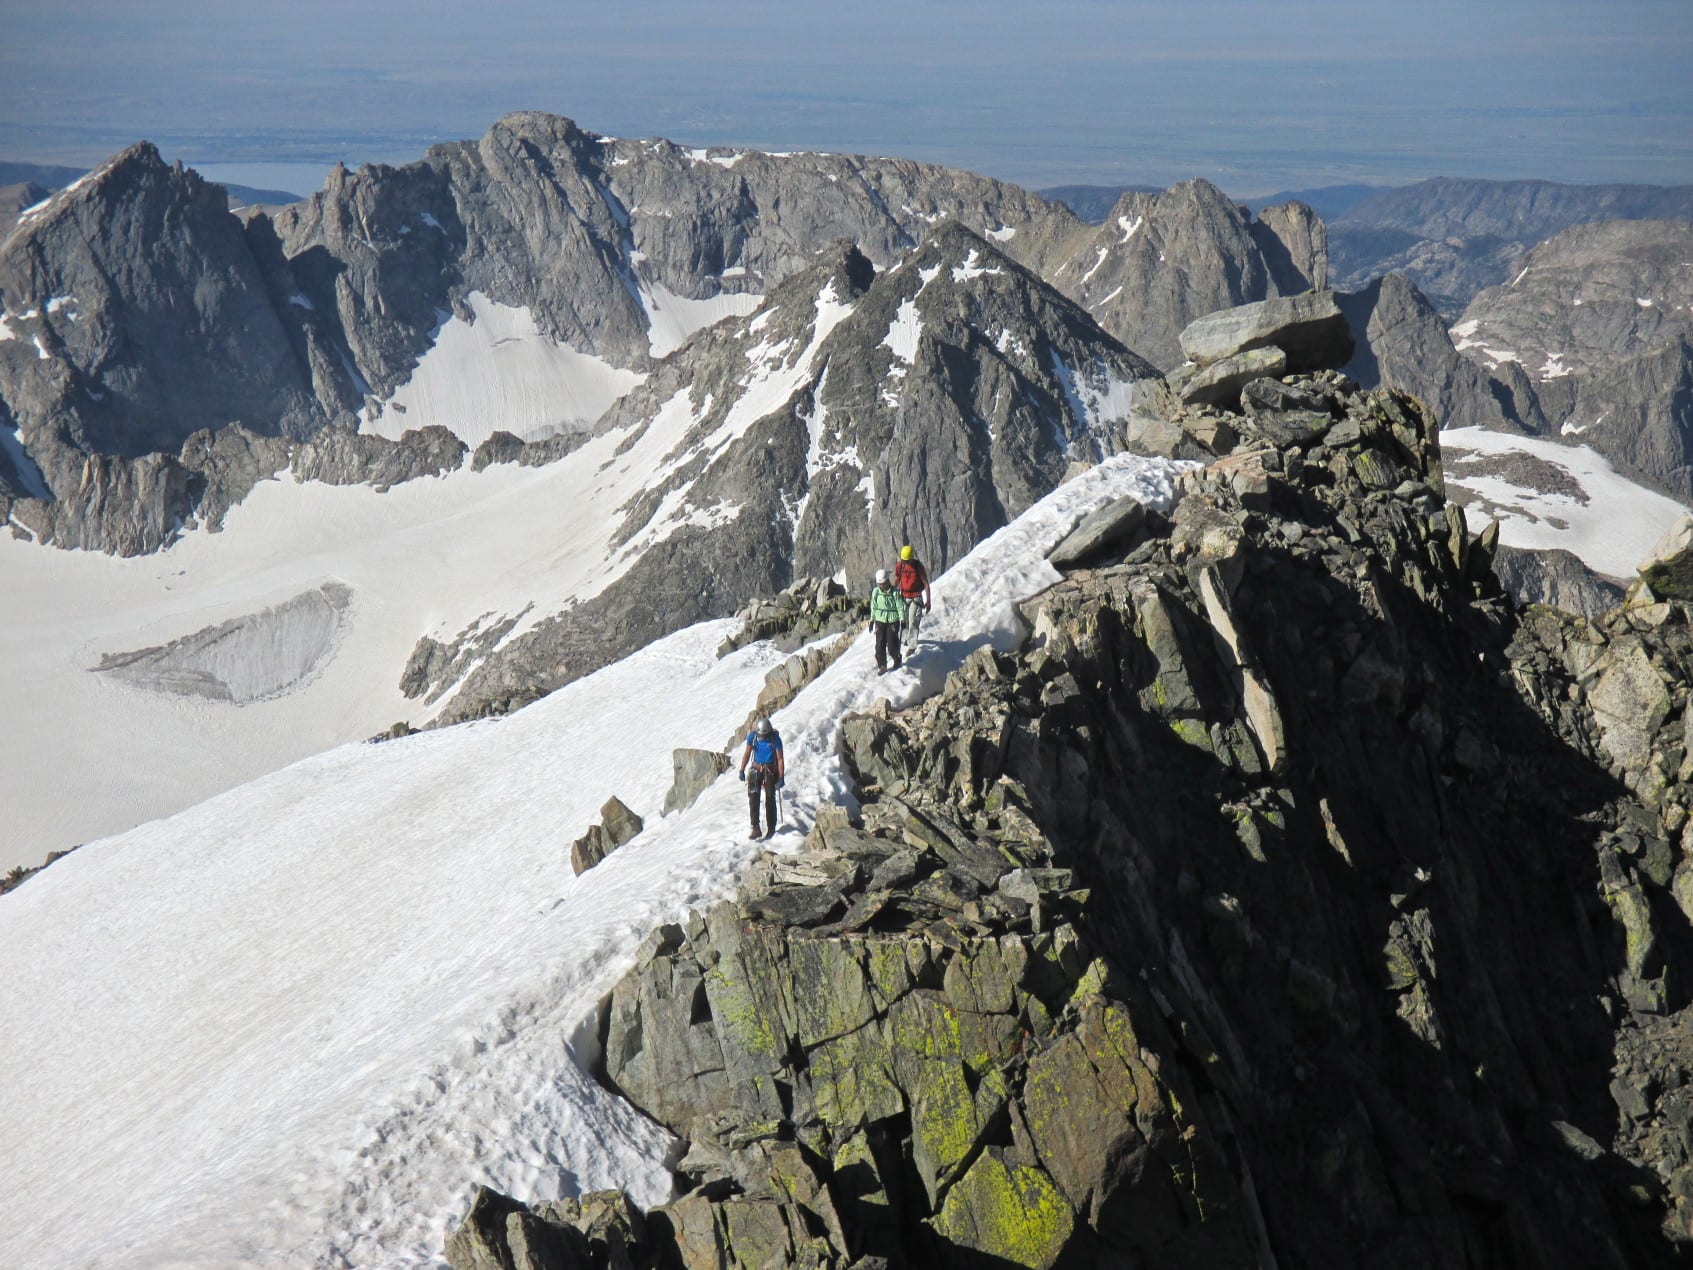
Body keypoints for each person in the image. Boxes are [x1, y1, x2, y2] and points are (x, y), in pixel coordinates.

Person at [738, 716, 786, 840]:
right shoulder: (752, 738)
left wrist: (781, 777)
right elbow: (747, 753)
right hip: (756, 768)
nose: (762, 738)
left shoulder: (775, 739)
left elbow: (780, 759)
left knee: (770, 797)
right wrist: (742, 770)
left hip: (770, 770)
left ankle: (771, 826)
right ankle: (755, 827)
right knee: (753, 796)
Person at [894, 545, 931, 651]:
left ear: (911, 558)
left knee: (913, 621)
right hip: (904, 597)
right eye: (903, 560)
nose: (905, 562)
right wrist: (891, 591)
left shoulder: (918, 566)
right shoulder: (900, 566)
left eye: (907, 560)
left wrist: (928, 601)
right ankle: (906, 640)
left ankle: (912, 646)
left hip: (915, 598)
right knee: (905, 621)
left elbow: (926, 584)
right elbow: (897, 579)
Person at [869, 568, 905, 674]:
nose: (882, 586)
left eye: (883, 584)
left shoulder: (894, 593)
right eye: (880, 584)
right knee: (879, 644)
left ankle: (897, 658)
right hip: (880, 620)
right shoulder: (876, 592)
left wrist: (902, 619)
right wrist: (872, 620)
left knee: (891, 644)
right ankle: (882, 666)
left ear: (887, 581)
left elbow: (899, 607)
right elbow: (873, 607)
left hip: (893, 620)